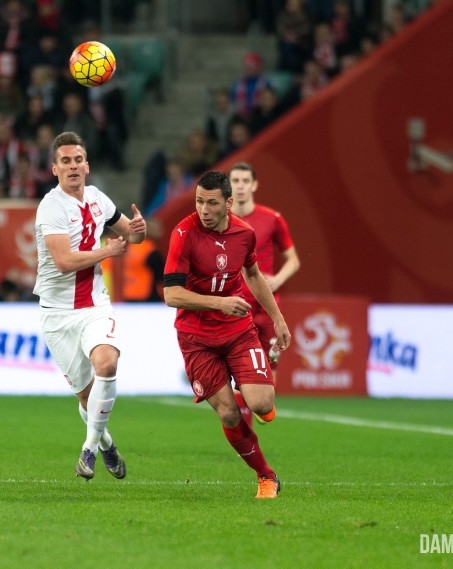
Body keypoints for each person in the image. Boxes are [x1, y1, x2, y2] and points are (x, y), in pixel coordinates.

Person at [163, 170, 290, 499]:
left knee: (262, 403)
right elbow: (172, 295)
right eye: (199, 202)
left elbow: (253, 274)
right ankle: (266, 475)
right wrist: (219, 303)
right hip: (196, 338)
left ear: (229, 203)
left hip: (237, 331)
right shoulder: (184, 233)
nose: (203, 209)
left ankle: (257, 400)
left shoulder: (244, 234)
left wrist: (277, 318)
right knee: (229, 412)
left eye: (212, 203)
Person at [33, 131, 147, 480]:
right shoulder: (50, 208)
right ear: (55, 169)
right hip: (58, 313)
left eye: (78, 160)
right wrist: (107, 252)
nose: (73, 166)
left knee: (107, 363)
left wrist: (138, 230)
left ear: (87, 165)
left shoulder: (98, 198)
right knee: (87, 397)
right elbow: (65, 262)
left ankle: (87, 450)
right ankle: (106, 443)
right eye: (65, 161)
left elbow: (131, 235)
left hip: (95, 304)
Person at [229, 162, 300, 389]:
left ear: (254, 185)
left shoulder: (272, 218)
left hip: (265, 306)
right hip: (235, 305)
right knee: (239, 373)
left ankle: (259, 413)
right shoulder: (220, 220)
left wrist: (278, 279)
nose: (240, 186)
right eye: (235, 181)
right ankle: (242, 422)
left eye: (245, 181)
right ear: (228, 185)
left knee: (269, 370)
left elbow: (294, 260)